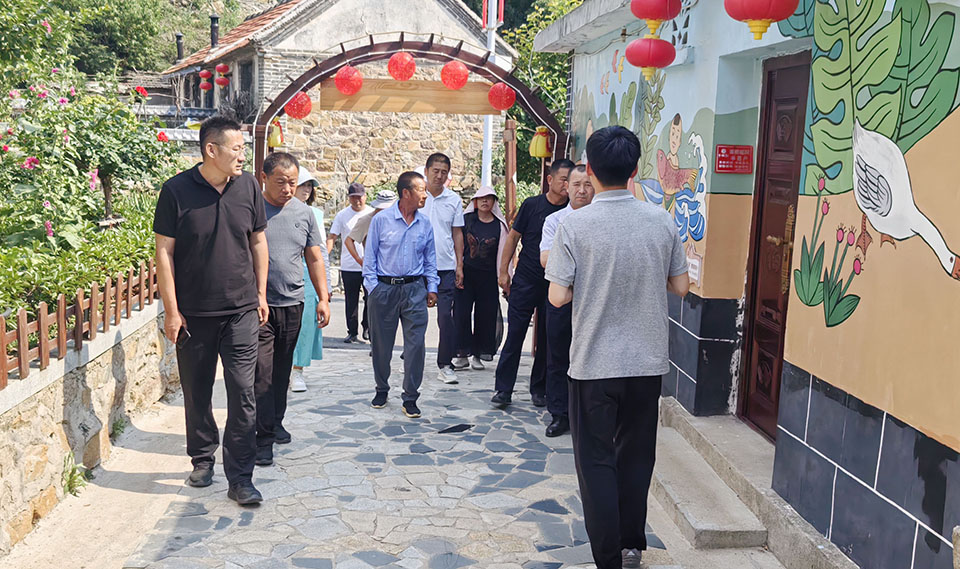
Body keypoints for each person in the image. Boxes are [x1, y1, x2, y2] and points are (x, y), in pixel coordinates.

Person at [545, 126, 689, 569]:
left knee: (596, 462)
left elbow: (557, 296)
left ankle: (608, 558)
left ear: (590, 168)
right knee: (637, 456)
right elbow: (681, 286)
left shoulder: (574, 225)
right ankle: (631, 545)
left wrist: (589, 283)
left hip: (593, 363)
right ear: (635, 169)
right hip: (646, 363)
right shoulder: (661, 221)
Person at [153, 115, 268, 506]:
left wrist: (260, 293)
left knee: (243, 392)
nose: (243, 156)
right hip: (194, 314)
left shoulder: (248, 186)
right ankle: (202, 458)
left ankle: (241, 477)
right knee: (197, 389)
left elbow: (258, 241)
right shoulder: (176, 191)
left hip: (241, 310)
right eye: (237, 149)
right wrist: (172, 310)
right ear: (211, 150)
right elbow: (164, 253)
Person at [254, 153, 331, 467]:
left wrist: (323, 298)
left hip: (293, 302)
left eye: (293, 183)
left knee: (282, 369)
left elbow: (314, 257)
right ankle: (262, 439)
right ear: (264, 178)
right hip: (259, 307)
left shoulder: (305, 213)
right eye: (281, 182)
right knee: (262, 373)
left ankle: (275, 421)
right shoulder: (252, 209)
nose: (288, 189)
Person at [491, 158, 574, 409]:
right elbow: (512, 238)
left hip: (555, 283)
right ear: (550, 180)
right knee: (515, 334)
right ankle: (503, 389)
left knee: (549, 337)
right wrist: (504, 271)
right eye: (564, 180)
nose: (567, 185)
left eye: (570, 181)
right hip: (526, 279)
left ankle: (540, 389)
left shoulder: (572, 211)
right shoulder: (532, 205)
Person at [363, 171, 439, 419]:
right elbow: (370, 258)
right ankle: (381, 388)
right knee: (381, 346)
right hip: (384, 289)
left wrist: (432, 287)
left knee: (416, 346)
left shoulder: (425, 223)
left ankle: (411, 397)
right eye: (421, 190)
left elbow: (430, 259)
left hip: (414, 289)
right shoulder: (381, 220)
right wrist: (374, 288)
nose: (425, 195)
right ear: (406, 193)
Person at [539, 165, 595, 437]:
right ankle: (559, 414)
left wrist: (568, 259)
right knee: (558, 357)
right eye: (576, 184)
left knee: (590, 358)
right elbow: (545, 258)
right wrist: (586, 261)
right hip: (561, 299)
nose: (582, 190)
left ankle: (587, 416)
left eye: (587, 184)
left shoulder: (600, 221)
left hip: (595, 301)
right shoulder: (555, 221)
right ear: (567, 187)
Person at [453, 186, 508, 371]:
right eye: (481, 198)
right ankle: (462, 354)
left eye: (489, 198)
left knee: (485, 316)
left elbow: (503, 252)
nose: (485, 201)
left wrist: (504, 276)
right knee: (461, 313)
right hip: (466, 274)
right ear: (475, 201)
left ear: (494, 202)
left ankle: (478, 354)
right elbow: (458, 243)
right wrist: (458, 267)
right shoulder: (467, 220)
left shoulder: (499, 226)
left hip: (488, 277)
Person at [290, 165, 335, 394]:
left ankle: (297, 370)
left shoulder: (314, 214)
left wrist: (326, 287)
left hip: (308, 273)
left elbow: (321, 252)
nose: (306, 189)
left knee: (307, 323)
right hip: (283, 271)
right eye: (303, 184)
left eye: (309, 186)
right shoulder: (274, 210)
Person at [420, 154, 464, 385]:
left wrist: (460, 265)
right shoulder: (416, 196)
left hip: (445, 267)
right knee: (414, 315)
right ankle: (413, 359)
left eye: (443, 172)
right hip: (417, 268)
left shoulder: (453, 200)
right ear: (426, 171)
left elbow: (457, 233)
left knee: (446, 316)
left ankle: (445, 363)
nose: (439, 176)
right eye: (435, 171)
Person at [328, 182, 372, 344]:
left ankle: (367, 327)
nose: (357, 201)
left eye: (359, 197)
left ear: (365, 197)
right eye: (353, 197)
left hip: (369, 264)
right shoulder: (342, 215)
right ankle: (352, 331)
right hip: (349, 264)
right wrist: (325, 254)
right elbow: (333, 236)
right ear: (349, 198)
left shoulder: (372, 213)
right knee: (351, 300)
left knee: (370, 298)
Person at [343, 189, 399, 266]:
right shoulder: (367, 220)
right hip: (375, 267)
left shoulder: (398, 218)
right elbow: (348, 240)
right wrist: (360, 260)